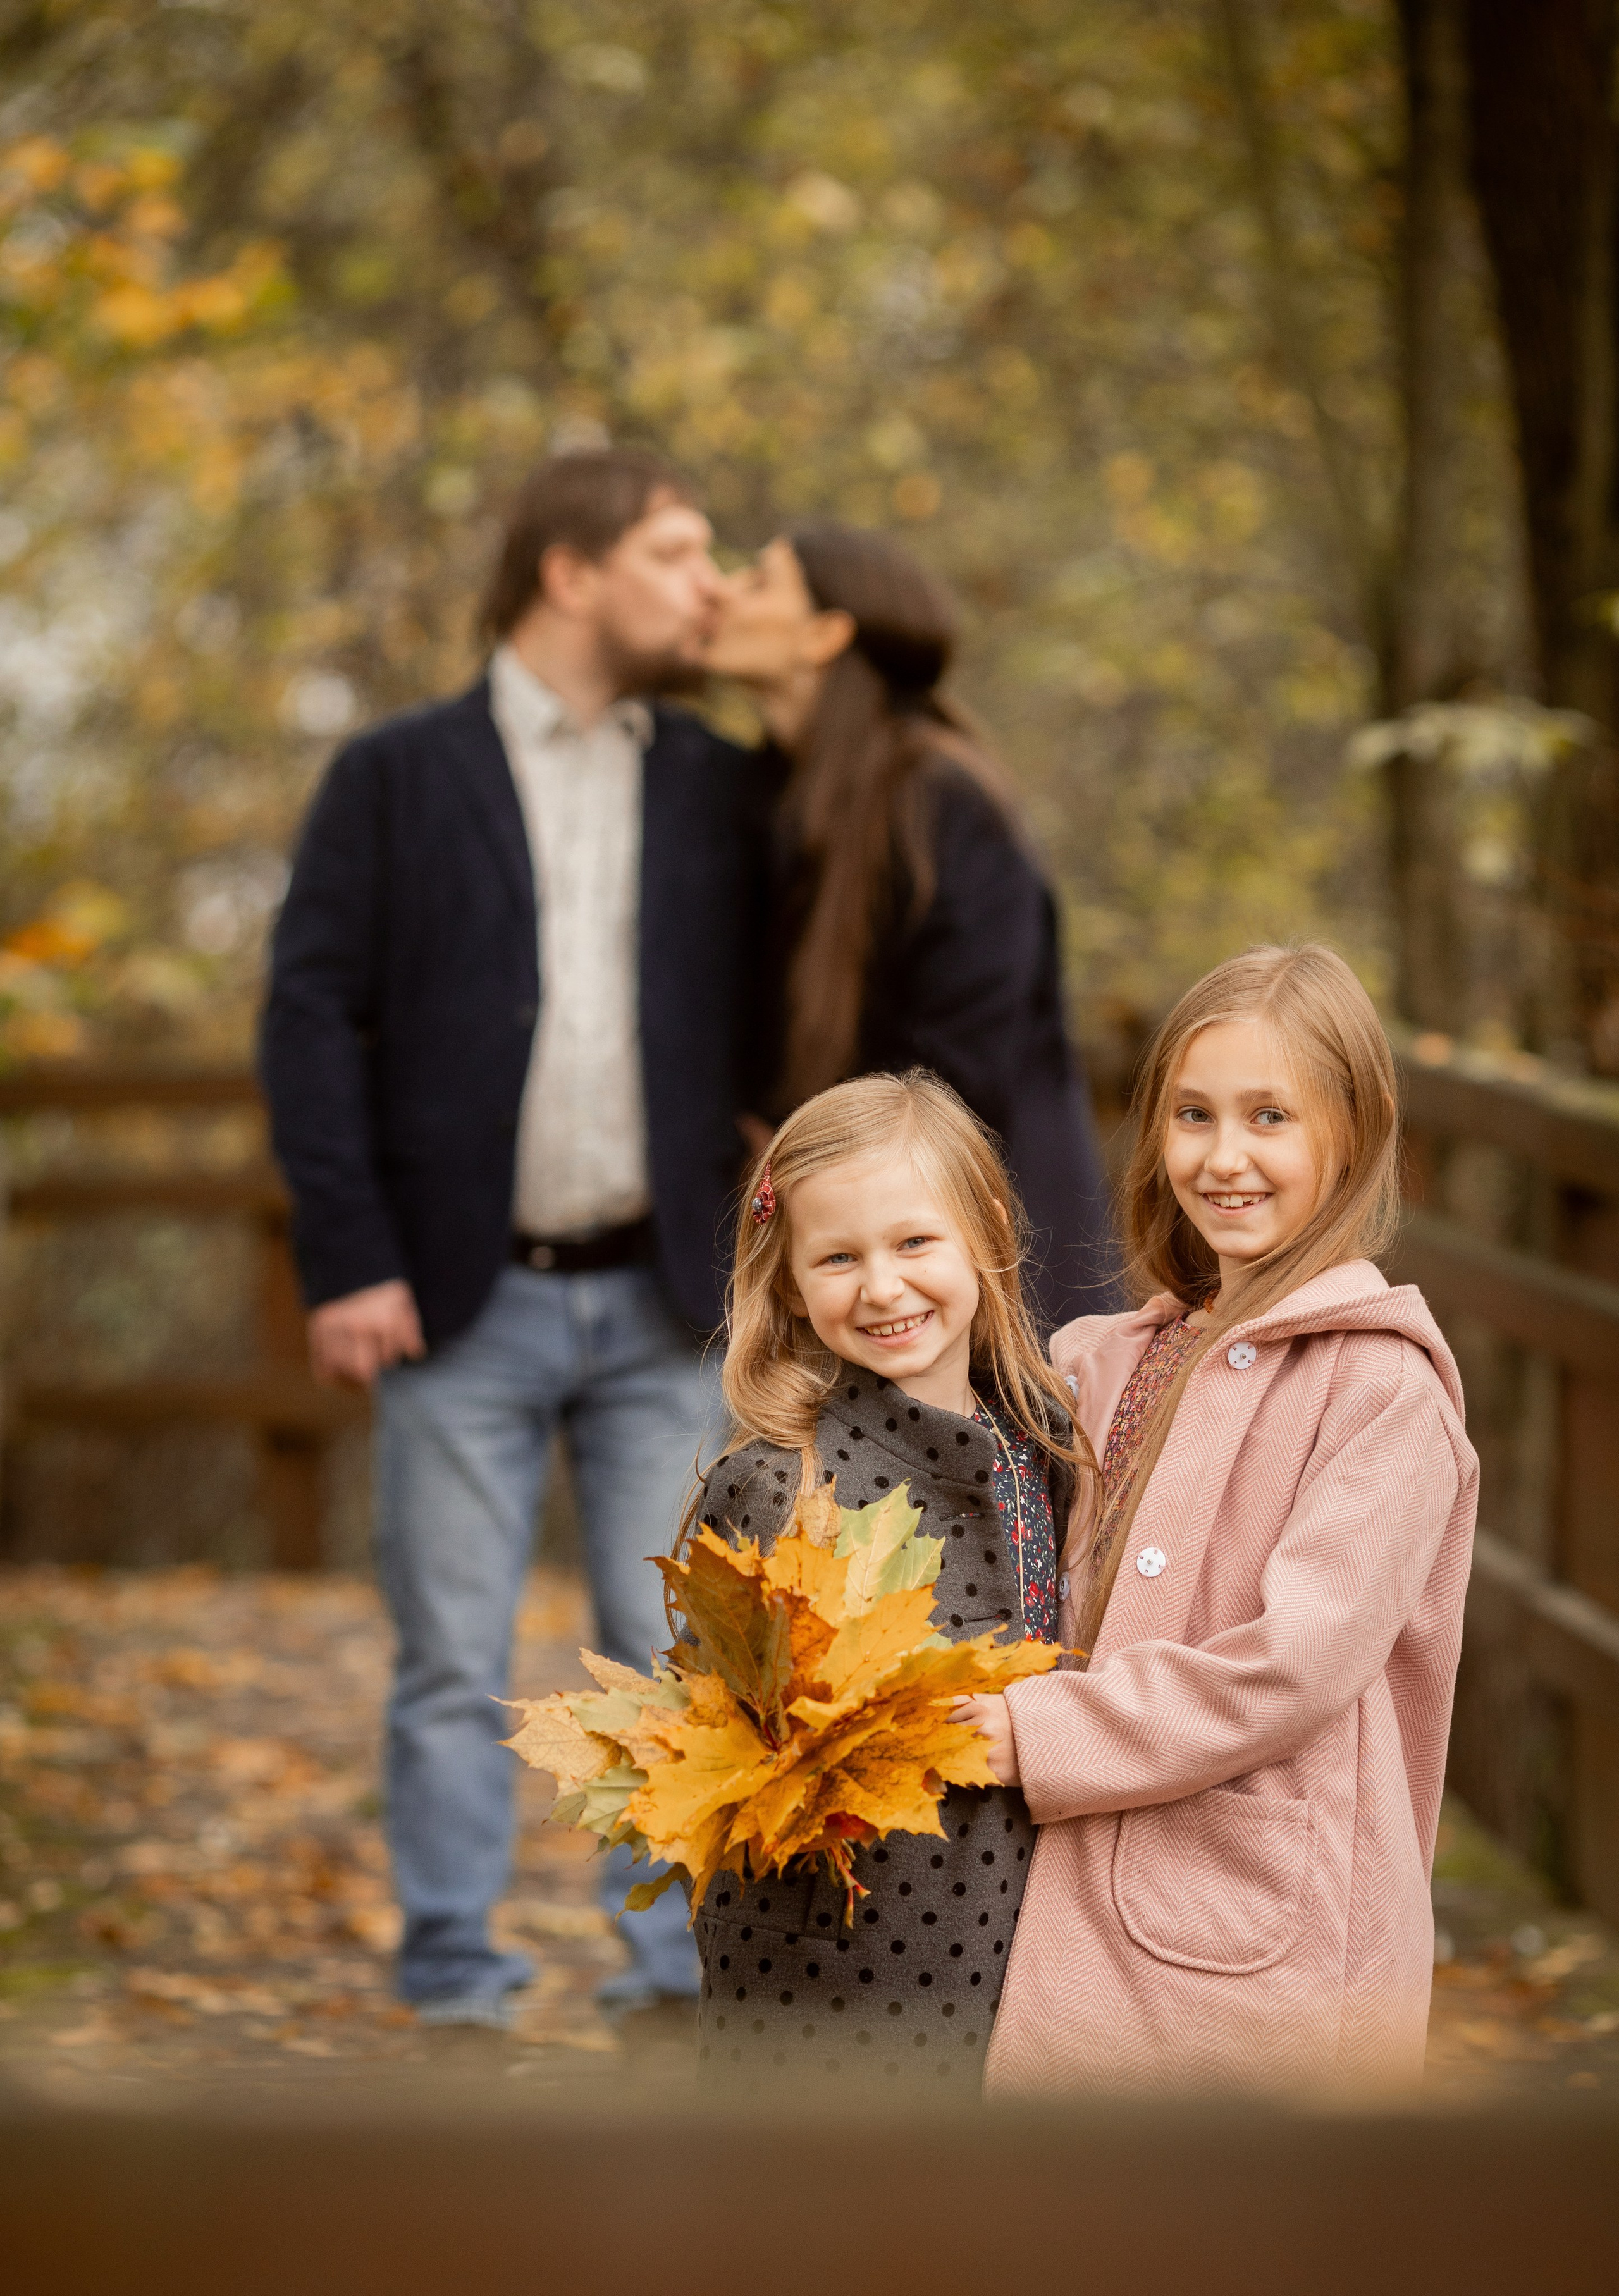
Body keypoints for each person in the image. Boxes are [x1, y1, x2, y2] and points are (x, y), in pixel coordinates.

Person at [260, 448, 754, 2027]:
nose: (708, 586)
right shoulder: (394, 775)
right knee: (448, 1665)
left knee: (676, 1658)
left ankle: (675, 1978)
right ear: (569, 569)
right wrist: (348, 1256)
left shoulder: (719, 781)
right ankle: (454, 1988)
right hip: (455, 1299)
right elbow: (308, 1015)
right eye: (677, 552)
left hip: (666, 1295)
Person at [957, 943, 1479, 2097]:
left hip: (1258, 1935)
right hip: (1065, 1906)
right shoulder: (1105, 1361)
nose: (1224, 1155)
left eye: (1270, 1117)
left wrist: (1037, 1736)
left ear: (1354, 1133)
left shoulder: (1383, 1392)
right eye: (1194, 1114)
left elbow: (1297, 1662)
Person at [683, 1069, 1090, 2087]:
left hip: (1017, 1954)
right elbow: (708, 1751)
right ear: (789, 1281)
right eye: (839, 1256)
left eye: (914, 1242)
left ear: (986, 1229)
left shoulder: (1042, 1447)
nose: (882, 1286)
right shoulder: (780, 1483)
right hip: (824, 1977)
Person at [700, 520, 1117, 1332]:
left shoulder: (944, 802)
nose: (720, 590)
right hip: (862, 1254)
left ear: (825, 634)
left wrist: (807, 1155)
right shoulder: (768, 799)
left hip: (985, 1267)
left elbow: (965, 1069)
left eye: (756, 581)